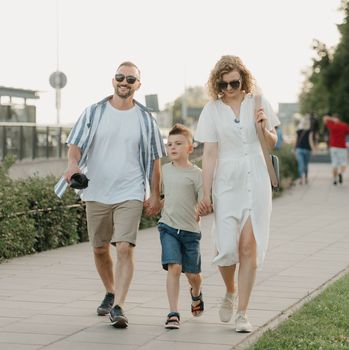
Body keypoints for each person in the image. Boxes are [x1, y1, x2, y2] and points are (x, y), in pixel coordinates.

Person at [54, 61, 166, 328]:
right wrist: (73, 164)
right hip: (96, 190)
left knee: (125, 247)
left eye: (130, 79)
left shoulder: (146, 119)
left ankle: (119, 306)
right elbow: (75, 145)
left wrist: (155, 195)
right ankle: (111, 290)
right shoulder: (94, 112)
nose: (124, 83)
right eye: (120, 77)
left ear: (138, 85)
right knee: (99, 248)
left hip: (130, 191)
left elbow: (155, 161)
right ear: (113, 80)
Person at [195, 55, 280, 333]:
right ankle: (230, 290)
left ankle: (242, 313)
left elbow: (272, 142)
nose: (229, 89)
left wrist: (263, 126)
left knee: (247, 248)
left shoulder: (258, 102)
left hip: (255, 179)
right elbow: (209, 153)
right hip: (226, 184)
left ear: (243, 78)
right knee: (226, 248)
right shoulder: (212, 109)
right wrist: (205, 192)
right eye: (223, 84)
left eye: (234, 82)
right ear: (216, 84)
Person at [158, 124, 204, 329]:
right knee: (174, 267)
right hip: (168, 227)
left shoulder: (197, 174)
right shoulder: (164, 171)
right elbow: (158, 194)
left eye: (178, 144)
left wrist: (203, 209)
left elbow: (203, 201)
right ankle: (173, 313)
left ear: (190, 148)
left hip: (190, 232)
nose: (173, 148)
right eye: (169, 145)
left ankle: (196, 294)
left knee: (193, 275)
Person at [323, 113, 349, 185]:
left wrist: (332, 119)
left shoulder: (332, 125)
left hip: (333, 147)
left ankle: (334, 179)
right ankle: (340, 173)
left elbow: (325, 118)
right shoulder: (344, 125)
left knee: (334, 164)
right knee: (343, 164)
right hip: (342, 147)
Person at [295, 115, 316, 185]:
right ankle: (306, 178)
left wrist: (294, 149)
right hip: (307, 150)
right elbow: (310, 141)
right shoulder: (310, 131)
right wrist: (314, 149)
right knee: (306, 165)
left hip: (299, 149)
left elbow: (296, 141)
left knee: (300, 165)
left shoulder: (298, 131)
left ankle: (301, 179)